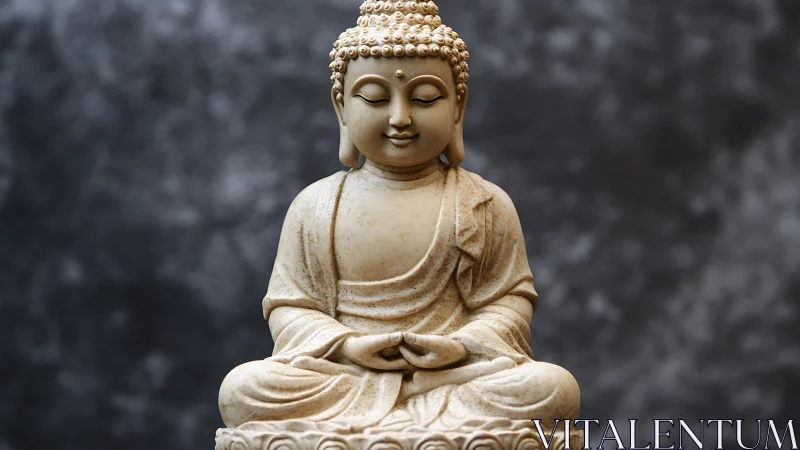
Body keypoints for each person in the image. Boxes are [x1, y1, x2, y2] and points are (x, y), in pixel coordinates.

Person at [218, 0, 580, 433]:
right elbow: (291, 307)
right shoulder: (315, 206)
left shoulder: (483, 203)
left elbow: (508, 302)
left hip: (451, 376)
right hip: (347, 377)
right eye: (373, 97)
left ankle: (417, 404)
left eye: (426, 98)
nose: (400, 117)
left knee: (552, 389)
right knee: (243, 388)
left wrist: (459, 346)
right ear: (341, 108)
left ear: (458, 107)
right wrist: (349, 347)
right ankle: (403, 412)